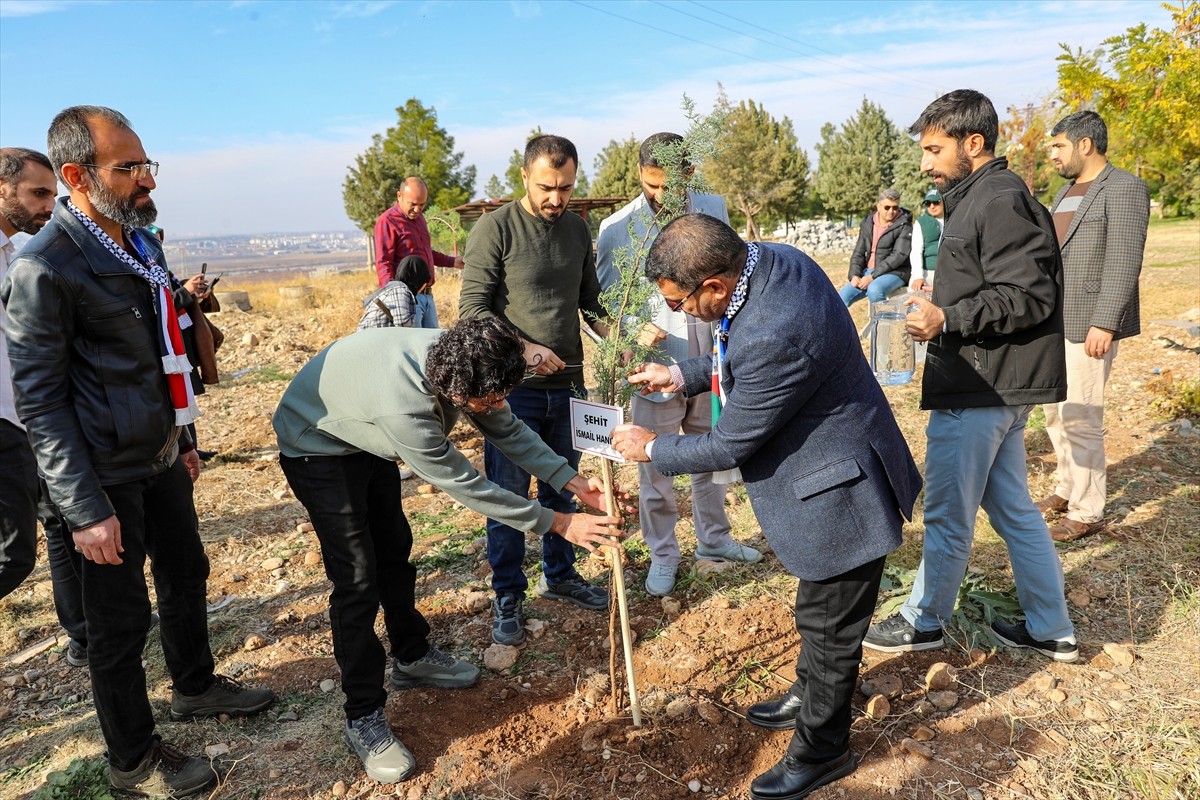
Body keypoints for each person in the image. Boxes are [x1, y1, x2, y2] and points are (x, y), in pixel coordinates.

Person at [1, 106, 274, 798]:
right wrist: (85, 510)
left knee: (187, 574)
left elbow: (161, 353)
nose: (147, 177)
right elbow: (40, 402)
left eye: (147, 162)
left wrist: (183, 438)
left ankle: (196, 686)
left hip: (157, 456)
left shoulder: (136, 246)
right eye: (129, 167)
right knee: (119, 627)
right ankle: (132, 760)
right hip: (100, 476)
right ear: (76, 176)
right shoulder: (45, 267)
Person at [611, 214, 922, 800]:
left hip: (841, 491)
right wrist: (683, 374)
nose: (678, 315)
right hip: (831, 467)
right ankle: (809, 694)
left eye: (680, 303)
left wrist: (652, 446)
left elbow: (732, 441)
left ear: (715, 285)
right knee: (819, 609)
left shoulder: (776, 329)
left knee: (833, 632)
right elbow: (738, 358)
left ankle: (822, 750)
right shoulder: (771, 261)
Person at [272, 317, 621, 783]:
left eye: (502, 395)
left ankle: (412, 657)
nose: (499, 405)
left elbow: (509, 430)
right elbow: (466, 484)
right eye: (489, 400)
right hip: (315, 442)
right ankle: (363, 715)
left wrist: (574, 482)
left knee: (395, 552)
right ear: (455, 393)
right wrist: (556, 522)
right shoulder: (407, 410)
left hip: (363, 432)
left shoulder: (469, 358)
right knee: (357, 578)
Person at [862, 89, 1079, 664]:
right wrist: (943, 294)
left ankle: (924, 620)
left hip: (982, 386)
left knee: (948, 512)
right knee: (1012, 509)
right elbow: (997, 282)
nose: (924, 161)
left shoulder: (997, 198)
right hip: (996, 382)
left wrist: (949, 317)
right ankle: (1051, 626)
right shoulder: (978, 196)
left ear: (973, 143)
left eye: (934, 148)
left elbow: (1030, 294)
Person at [459, 133, 614, 646]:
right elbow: (473, 312)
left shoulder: (576, 230)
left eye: (566, 187)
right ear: (524, 177)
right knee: (508, 495)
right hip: (510, 389)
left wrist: (620, 340)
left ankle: (562, 577)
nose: (556, 198)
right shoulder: (494, 229)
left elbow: (590, 303)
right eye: (547, 187)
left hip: (569, 383)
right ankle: (508, 596)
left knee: (562, 483)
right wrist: (523, 349)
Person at [595, 132, 760, 597]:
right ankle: (664, 554)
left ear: (690, 173)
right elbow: (607, 301)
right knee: (655, 463)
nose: (661, 196)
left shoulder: (714, 207)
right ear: (640, 176)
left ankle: (715, 540)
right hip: (654, 363)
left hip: (710, 356)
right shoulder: (617, 228)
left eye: (671, 185)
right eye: (652, 186)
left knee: (710, 450)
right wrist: (630, 332)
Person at [1037, 111, 1150, 542]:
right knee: (1055, 413)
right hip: (1054, 321)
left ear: (1085, 145)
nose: (1053, 154)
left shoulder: (1123, 188)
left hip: (1089, 325)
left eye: (1059, 146)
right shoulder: (1067, 191)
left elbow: (1124, 260)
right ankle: (1067, 488)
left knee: (1081, 416)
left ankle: (1088, 510)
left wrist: (1105, 322)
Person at [0, 147, 56, 599]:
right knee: (12, 556)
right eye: (38, 193)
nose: (49, 205)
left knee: (57, 520)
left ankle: (82, 634)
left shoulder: (15, 252)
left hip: (26, 418)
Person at [373, 176, 463, 328]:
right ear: (399, 196)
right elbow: (383, 263)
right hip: (406, 300)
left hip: (427, 297)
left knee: (434, 346)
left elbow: (426, 253)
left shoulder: (420, 219)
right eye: (413, 204)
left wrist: (452, 262)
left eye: (422, 205)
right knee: (414, 348)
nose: (417, 210)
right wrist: (393, 299)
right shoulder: (387, 221)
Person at [838, 188, 912, 308]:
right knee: (841, 297)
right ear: (879, 206)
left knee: (875, 290)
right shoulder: (868, 223)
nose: (891, 211)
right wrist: (854, 275)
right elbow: (859, 252)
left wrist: (873, 276)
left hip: (896, 272)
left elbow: (899, 255)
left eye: (895, 207)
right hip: (869, 272)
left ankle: (881, 325)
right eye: (887, 207)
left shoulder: (904, 224)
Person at [359, 255, 430, 330]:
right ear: (419, 280)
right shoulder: (400, 290)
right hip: (370, 337)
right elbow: (402, 324)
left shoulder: (397, 288)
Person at [909, 189, 943, 291]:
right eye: (928, 203)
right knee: (914, 296)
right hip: (927, 271)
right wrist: (918, 276)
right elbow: (916, 251)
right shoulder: (921, 222)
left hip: (949, 271)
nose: (932, 206)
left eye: (936, 202)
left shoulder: (954, 219)